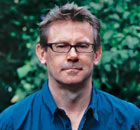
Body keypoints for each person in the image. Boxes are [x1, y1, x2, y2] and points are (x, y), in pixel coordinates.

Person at [0, 3, 140, 130]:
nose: (72, 55)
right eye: (61, 46)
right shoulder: (11, 123)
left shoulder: (130, 120)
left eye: (82, 46)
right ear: (42, 53)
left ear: (96, 54)